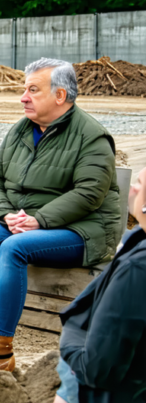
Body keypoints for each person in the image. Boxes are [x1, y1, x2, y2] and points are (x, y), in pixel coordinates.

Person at [0, 58, 122, 376]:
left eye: (33, 90)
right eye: (24, 89)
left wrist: (40, 220)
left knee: (13, 248)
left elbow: (90, 193)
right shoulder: (22, 129)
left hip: (84, 229)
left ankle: (2, 353)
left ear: (60, 96)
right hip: (27, 221)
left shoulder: (91, 136)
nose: (23, 97)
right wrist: (5, 213)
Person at [55, 167, 146, 403]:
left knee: (69, 379)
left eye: (140, 182)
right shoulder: (137, 240)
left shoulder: (138, 268)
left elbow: (98, 370)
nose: (134, 187)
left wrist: (69, 343)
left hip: (117, 390)